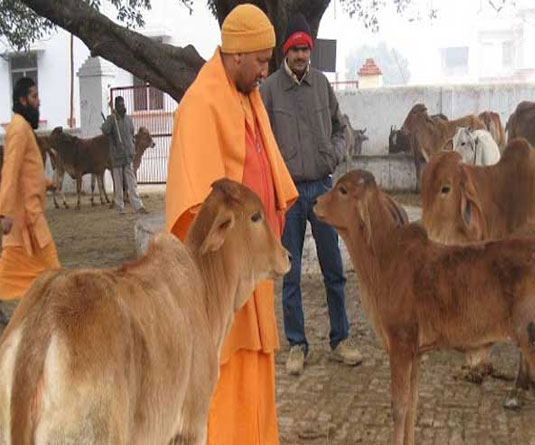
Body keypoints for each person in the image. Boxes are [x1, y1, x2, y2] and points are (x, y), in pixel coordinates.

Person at [166, 4, 297, 444]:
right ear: (235, 55)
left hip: (250, 271)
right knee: (221, 371)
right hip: (221, 279)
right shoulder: (199, 107)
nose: (266, 71)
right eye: (261, 61)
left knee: (256, 362)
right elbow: (195, 213)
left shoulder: (248, 100)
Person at [260, 13, 362, 376]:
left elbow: (341, 127)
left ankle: (340, 340)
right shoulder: (268, 90)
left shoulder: (321, 84)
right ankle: (297, 344)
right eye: (295, 49)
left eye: (306, 48)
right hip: (288, 193)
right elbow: (261, 140)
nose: (301, 55)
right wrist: (275, 174)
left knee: (333, 268)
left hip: (323, 187)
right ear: (286, 52)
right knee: (290, 272)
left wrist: (332, 155)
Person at [0, 77, 60, 326]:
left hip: (32, 225)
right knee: (55, 279)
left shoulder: (23, 127)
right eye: (34, 97)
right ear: (22, 100)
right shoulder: (17, 128)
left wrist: (46, 183)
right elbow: (10, 171)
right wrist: (4, 214)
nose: (39, 102)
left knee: (45, 281)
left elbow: (27, 174)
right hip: (27, 225)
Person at [101, 96, 147, 214]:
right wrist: (109, 120)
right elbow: (105, 130)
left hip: (128, 155)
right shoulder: (112, 120)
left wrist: (131, 148)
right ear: (116, 107)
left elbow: (131, 134)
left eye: (123, 105)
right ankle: (119, 206)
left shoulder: (128, 119)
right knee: (118, 182)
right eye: (119, 105)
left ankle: (138, 206)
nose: (122, 107)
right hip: (116, 157)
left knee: (132, 182)